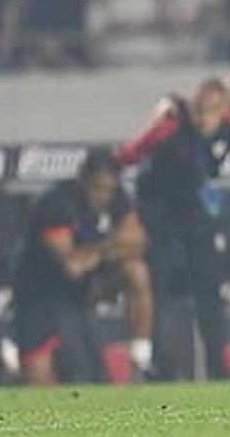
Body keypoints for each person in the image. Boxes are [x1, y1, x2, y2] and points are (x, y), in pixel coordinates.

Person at [118, 77, 230, 380]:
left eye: (213, 111)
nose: (205, 119)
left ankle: (218, 365)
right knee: (159, 290)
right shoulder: (169, 130)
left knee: (209, 288)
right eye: (200, 111)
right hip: (158, 211)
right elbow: (128, 154)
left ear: (224, 110)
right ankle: (162, 365)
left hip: (192, 211)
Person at [13, 150, 153, 386]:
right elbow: (71, 265)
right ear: (83, 181)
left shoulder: (118, 198)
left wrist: (99, 253)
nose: (103, 196)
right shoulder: (56, 204)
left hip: (84, 285)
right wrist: (112, 244)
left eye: (109, 189)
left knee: (136, 270)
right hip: (40, 293)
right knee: (39, 379)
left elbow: (138, 241)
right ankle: (13, 377)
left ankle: (141, 355)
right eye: (98, 188)